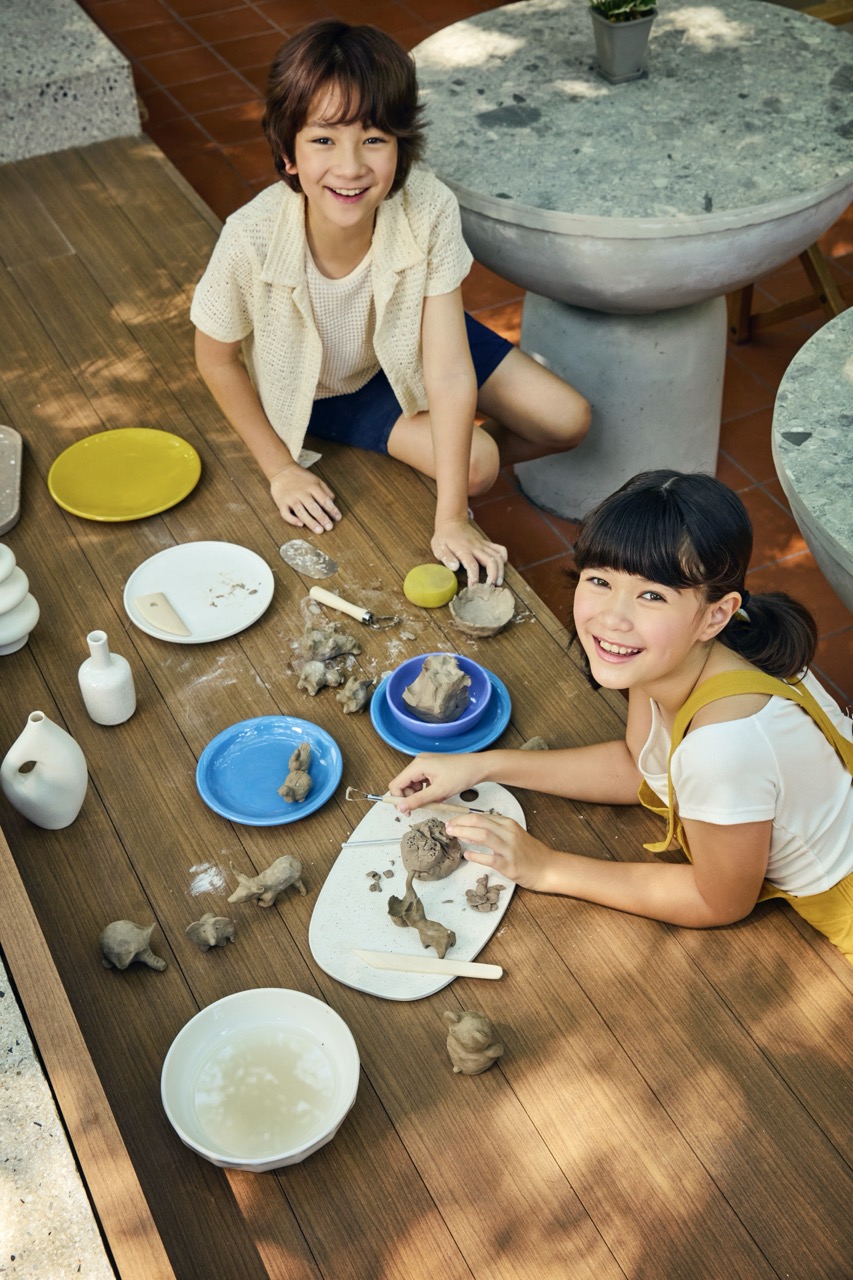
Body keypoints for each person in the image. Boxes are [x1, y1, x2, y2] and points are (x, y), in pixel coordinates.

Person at [388, 470, 853, 961]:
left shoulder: (724, 748)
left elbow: (718, 900)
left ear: (716, 613)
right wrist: (480, 764)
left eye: (653, 595)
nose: (613, 617)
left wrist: (546, 867)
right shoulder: (672, 656)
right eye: (600, 581)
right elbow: (639, 767)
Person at [191, 20, 590, 587]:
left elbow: (449, 367)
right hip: (330, 384)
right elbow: (215, 358)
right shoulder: (251, 237)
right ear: (288, 155)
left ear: (400, 147)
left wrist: (450, 515)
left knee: (568, 417)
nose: (351, 167)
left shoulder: (427, 207)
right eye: (324, 140)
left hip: (408, 332)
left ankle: (442, 461)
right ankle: (452, 460)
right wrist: (281, 469)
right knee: (477, 464)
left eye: (373, 139)